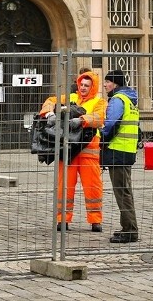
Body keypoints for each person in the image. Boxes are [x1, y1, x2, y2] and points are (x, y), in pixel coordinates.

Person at [40, 70, 106, 232]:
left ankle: (95, 221)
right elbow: (50, 100)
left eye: (87, 85)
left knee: (93, 187)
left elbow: (99, 117)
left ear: (93, 87)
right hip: (68, 148)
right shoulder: (70, 98)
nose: (83, 88)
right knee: (64, 186)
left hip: (88, 150)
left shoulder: (99, 102)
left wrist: (82, 120)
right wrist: (48, 113)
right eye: (81, 84)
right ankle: (62, 220)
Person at [101, 69, 140, 243]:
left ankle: (130, 230)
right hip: (127, 150)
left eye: (107, 82)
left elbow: (110, 125)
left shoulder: (118, 100)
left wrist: (102, 138)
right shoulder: (130, 100)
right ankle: (127, 226)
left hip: (118, 151)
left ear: (115, 84)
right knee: (125, 191)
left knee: (122, 192)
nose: (105, 85)